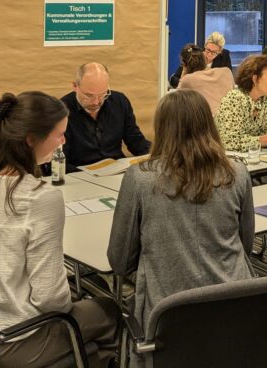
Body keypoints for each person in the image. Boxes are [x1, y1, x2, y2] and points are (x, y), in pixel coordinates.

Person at [0, 91, 118, 367]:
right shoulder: (39, 197)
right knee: (109, 309)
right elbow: (50, 299)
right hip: (9, 340)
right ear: (31, 140)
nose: (64, 142)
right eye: (59, 135)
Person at [108, 90, 254, 328]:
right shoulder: (237, 173)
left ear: (162, 128)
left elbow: (120, 260)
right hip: (234, 303)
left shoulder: (140, 179)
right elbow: (245, 244)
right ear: (209, 124)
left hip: (167, 312)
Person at [59, 62, 151, 171]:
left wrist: (158, 156)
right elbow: (60, 160)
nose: (96, 102)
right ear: (75, 86)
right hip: (79, 175)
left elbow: (136, 141)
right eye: (89, 95)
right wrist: (83, 175)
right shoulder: (61, 111)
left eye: (103, 94)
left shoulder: (119, 102)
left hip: (116, 171)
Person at [214, 53, 267, 151]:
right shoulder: (234, 99)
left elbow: (266, 135)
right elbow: (228, 142)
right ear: (255, 79)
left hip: (254, 157)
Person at [177, 43, 234, 116]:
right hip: (230, 122)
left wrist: (184, 73)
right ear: (204, 58)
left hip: (206, 124)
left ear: (184, 65)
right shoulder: (226, 72)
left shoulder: (187, 80)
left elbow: (177, 102)